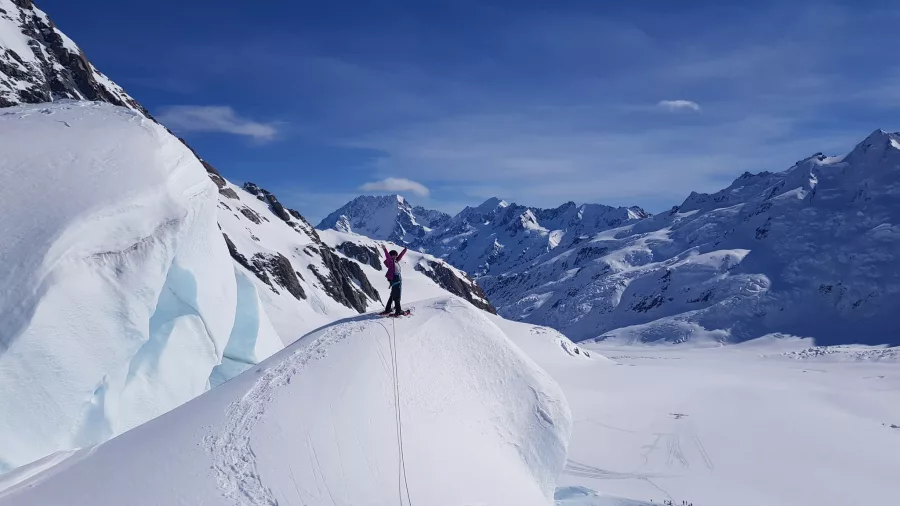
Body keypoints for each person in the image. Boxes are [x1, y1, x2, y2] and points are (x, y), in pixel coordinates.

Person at [380, 244, 408, 316]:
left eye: (396, 255)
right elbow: (387, 257)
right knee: (397, 296)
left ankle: (388, 309)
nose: (396, 256)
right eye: (394, 255)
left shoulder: (395, 261)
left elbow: (400, 256)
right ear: (391, 256)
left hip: (396, 280)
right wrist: (384, 249)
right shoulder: (390, 262)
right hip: (396, 280)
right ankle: (398, 311)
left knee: (392, 295)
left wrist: (405, 250)